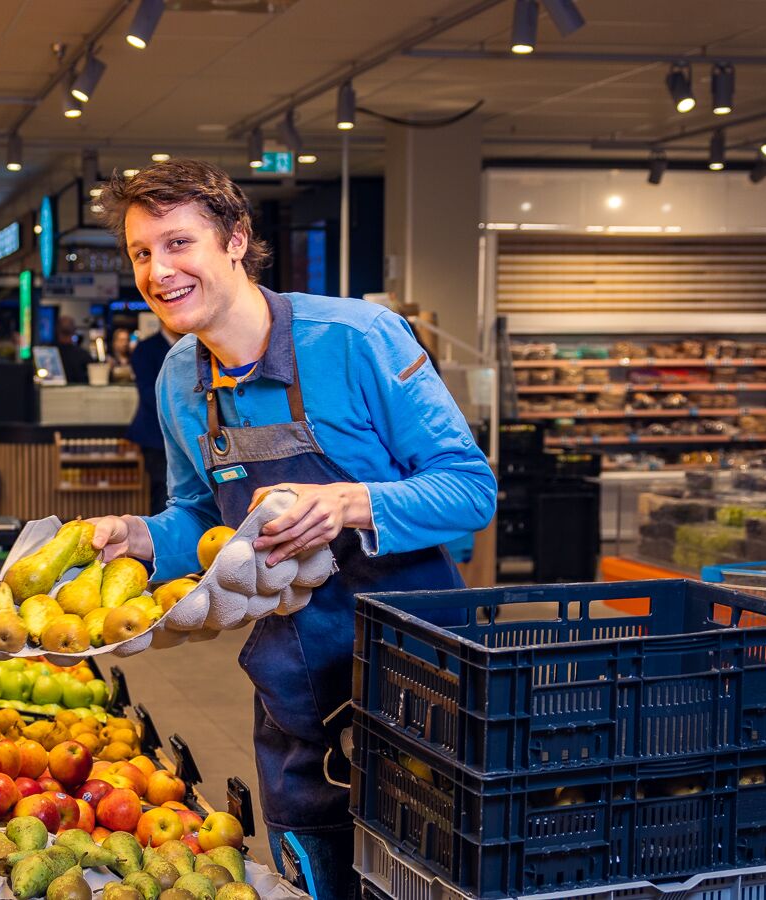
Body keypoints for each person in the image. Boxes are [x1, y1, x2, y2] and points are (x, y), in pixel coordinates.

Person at [83, 160, 496, 900]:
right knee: (315, 880)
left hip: (416, 684)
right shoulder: (180, 378)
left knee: (424, 879)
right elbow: (203, 520)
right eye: (142, 252)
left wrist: (347, 502)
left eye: (179, 244)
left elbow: (470, 490)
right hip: (296, 692)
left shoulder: (358, 339)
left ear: (237, 240)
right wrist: (142, 538)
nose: (158, 270)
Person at [127, 323, 178, 515]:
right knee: (162, 491)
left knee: (188, 493)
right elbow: (148, 392)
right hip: (154, 434)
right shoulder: (146, 348)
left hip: (187, 433)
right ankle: (162, 541)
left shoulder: (196, 343)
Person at [53, 316, 91, 384]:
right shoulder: (83, 355)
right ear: (74, 330)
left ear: (56, 329)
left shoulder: (48, 353)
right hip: (79, 393)